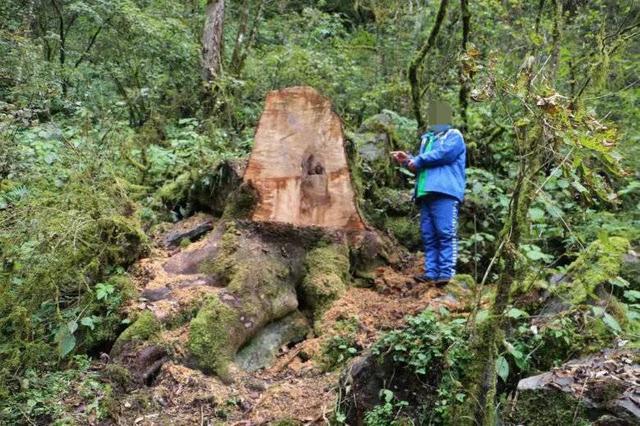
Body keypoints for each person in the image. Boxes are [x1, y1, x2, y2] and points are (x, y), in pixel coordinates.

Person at [392, 101, 466, 286]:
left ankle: (446, 273)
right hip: (425, 193)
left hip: (444, 191)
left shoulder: (453, 136)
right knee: (428, 234)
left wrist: (418, 160)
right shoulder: (427, 139)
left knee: (445, 232)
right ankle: (431, 272)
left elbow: (444, 155)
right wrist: (407, 160)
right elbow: (422, 167)